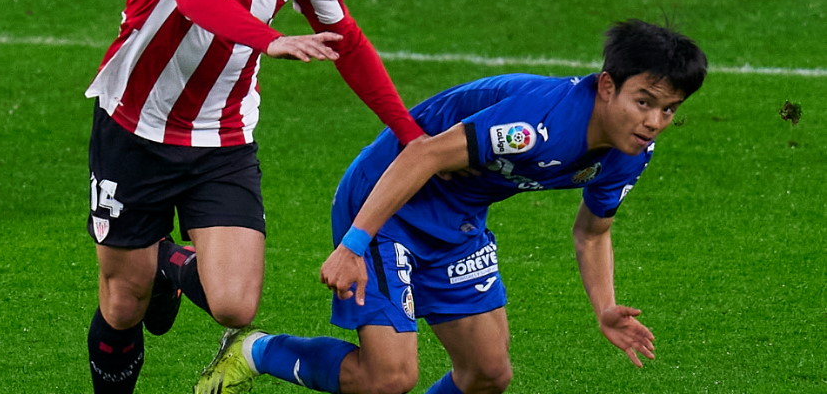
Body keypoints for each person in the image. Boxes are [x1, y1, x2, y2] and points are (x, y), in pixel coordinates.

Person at [83, 0, 425, 394]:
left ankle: (170, 264)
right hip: (136, 128)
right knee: (122, 304)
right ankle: (156, 273)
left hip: (223, 136)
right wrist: (270, 39)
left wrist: (410, 134)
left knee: (236, 307)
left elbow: (349, 43)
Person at [194, 19, 708, 394]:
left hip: (457, 219)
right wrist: (355, 243)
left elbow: (592, 232)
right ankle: (256, 350)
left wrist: (605, 309)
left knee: (488, 375)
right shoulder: (538, 125)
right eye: (643, 102)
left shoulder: (628, 154)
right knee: (389, 378)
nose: (654, 122)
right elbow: (423, 153)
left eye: (668, 110)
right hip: (390, 198)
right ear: (606, 87)